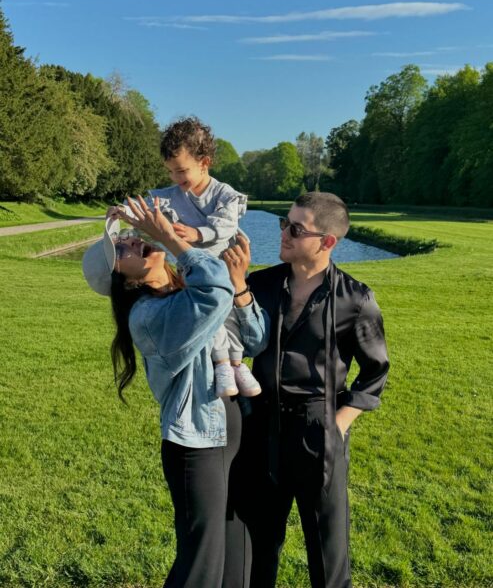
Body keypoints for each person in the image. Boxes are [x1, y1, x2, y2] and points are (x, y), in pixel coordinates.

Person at [81, 195, 268, 588]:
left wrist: (240, 286)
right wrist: (169, 237)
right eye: (121, 250)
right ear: (125, 279)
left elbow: (253, 341)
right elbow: (212, 292)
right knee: (201, 564)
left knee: (235, 545)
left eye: (129, 238)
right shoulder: (148, 317)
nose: (133, 242)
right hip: (197, 444)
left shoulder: (184, 288)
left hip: (232, 427)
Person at [235, 192, 390, 588]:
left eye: (296, 228)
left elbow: (375, 371)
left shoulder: (355, 299)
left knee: (327, 547)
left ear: (327, 242)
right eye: (284, 223)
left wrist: (339, 423)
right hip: (260, 424)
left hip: (317, 430)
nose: (284, 233)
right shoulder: (261, 284)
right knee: (257, 543)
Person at [115, 116, 260, 399]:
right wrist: (121, 211)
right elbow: (145, 207)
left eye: (181, 171)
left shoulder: (224, 194)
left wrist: (197, 233)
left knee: (229, 314)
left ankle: (237, 362)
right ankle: (223, 365)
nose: (175, 179)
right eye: (170, 171)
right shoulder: (170, 195)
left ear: (204, 162)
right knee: (211, 317)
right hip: (192, 270)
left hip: (223, 265)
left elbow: (227, 225)